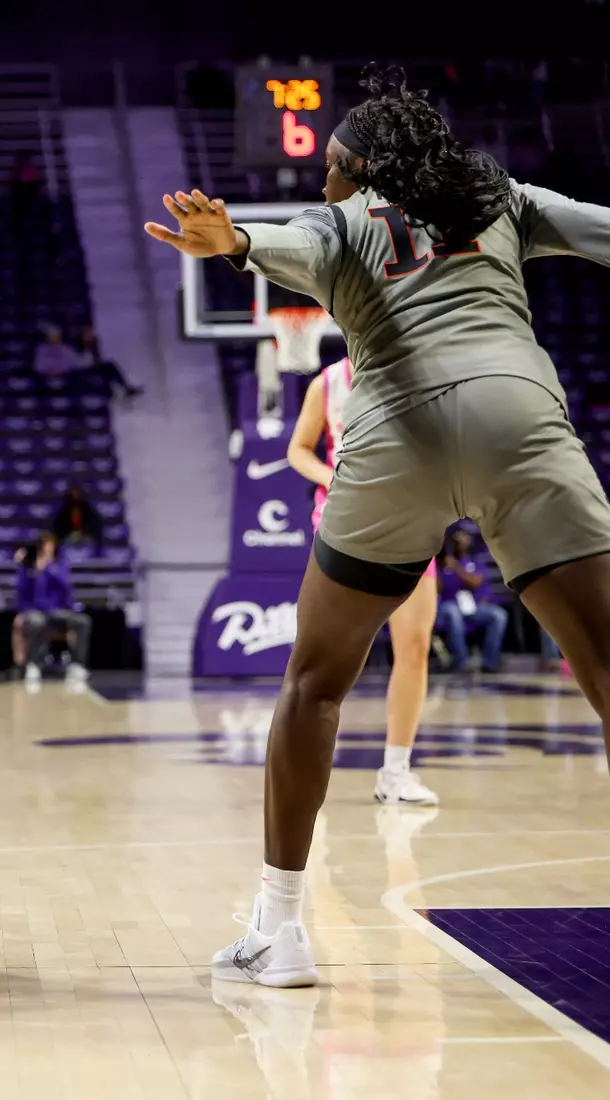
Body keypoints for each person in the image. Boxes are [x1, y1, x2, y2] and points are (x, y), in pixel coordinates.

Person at [143, 65, 610, 987]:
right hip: (521, 416)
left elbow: (269, 238)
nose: (322, 181)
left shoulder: (340, 221)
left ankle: (280, 928)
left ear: (356, 170)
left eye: (332, 167)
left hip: (401, 434)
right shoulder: (501, 198)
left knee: (314, 685)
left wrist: (230, 239)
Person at [291, 358, 440, 805]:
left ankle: (395, 772)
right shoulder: (329, 383)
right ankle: (303, 770)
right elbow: (299, 448)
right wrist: (332, 476)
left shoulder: (422, 370)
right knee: (328, 656)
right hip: (345, 525)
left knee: (414, 646)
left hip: (411, 518)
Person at [12, 533, 90, 685]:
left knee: (83, 622)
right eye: (44, 545)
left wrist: (47, 568)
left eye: (50, 545)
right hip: (34, 610)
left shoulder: (59, 565)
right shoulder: (27, 566)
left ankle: (78, 665)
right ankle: (33, 664)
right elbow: (21, 589)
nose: (47, 549)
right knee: (36, 622)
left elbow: (65, 585)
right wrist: (27, 568)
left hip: (57, 610)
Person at [437, 528, 509, 673]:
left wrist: (456, 567)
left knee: (498, 615)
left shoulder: (475, 562)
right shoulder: (443, 565)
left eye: (463, 537)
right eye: (456, 538)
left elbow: (475, 582)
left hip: (472, 608)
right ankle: (461, 662)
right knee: (452, 612)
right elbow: (437, 588)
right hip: (448, 607)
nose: (460, 540)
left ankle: (490, 662)